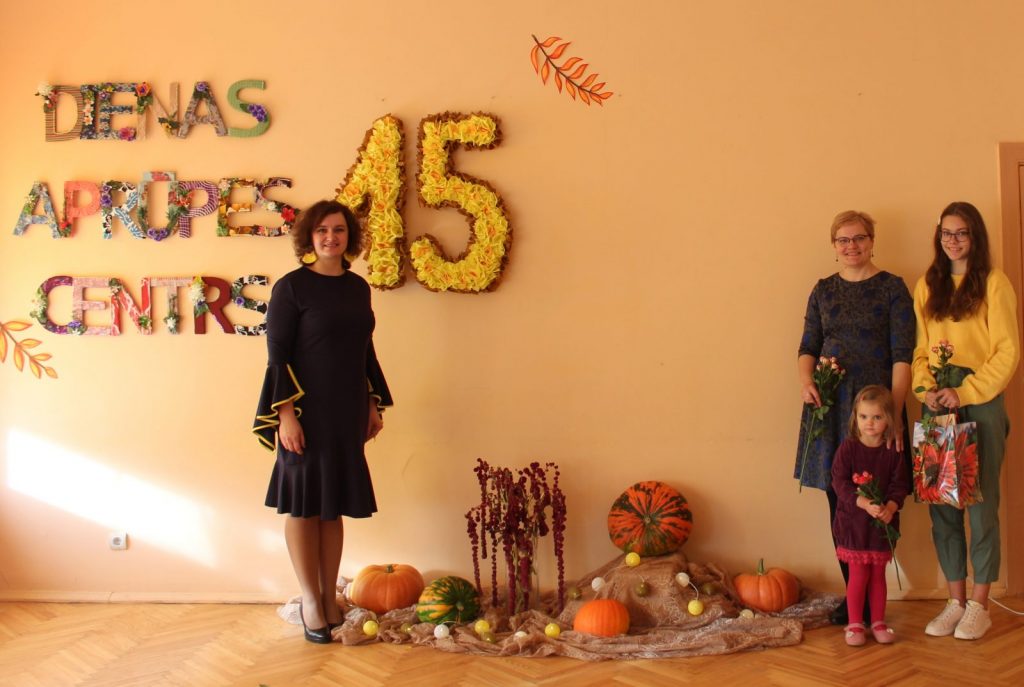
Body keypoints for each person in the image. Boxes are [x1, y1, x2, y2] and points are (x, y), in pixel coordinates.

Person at [252, 199, 393, 644]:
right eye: (322, 230)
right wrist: (286, 416)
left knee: (332, 505)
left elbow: (364, 350)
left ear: (349, 236)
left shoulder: (358, 288)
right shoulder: (291, 287)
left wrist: (372, 403)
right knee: (303, 504)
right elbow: (278, 356)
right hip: (304, 412)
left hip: (346, 409)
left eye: (339, 230)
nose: (331, 237)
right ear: (309, 237)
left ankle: (330, 597)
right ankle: (310, 601)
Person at [796, 210, 915, 626]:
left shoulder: (893, 288)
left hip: (878, 411)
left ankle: (871, 600)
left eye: (859, 238)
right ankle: (854, 600)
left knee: (882, 499)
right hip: (832, 408)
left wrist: (894, 414)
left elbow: (903, 355)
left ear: (871, 241)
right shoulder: (823, 290)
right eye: (843, 240)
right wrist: (806, 382)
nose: (852, 246)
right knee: (842, 501)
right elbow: (807, 347)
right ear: (834, 246)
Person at [912, 201, 1019, 641]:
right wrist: (926, 389)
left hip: (980, 399)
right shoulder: (927, 284)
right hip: (938, 402)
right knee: (942, 503)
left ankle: (979, 605)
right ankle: (954, 601)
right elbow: (920, 351)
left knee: (981, 504)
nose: (953, 241)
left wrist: (967, 391)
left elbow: (1007, 351)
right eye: (946, 233)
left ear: (975, 236)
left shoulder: (994, 283)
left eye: (962, 233)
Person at [831, 385, 910, 646]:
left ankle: (878, 621)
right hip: (854, 524)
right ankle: (855, 623)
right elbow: (839, 483)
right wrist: (863, 503)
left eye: (877, 417)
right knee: (858, 575)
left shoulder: (893, 451)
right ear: (855, 417)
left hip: (881, 525)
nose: (870, 423)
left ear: (888, 419)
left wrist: (891, 507)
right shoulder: (848, 448)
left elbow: (900, 485)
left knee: (877, 575)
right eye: (864, 416)